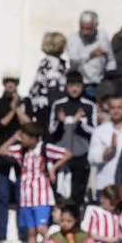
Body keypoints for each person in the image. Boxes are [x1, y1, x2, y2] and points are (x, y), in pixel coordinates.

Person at [6, 122, 67, 243]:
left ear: (33, 138)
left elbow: (67, 154)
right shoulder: (21, 150)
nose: (22, 140)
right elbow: (2, 151)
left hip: (42, 195)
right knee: (31, 232)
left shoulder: (45, 148)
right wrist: (14, 138)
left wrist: (53, 168)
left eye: (24, 137)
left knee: (42, 229)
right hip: (26, 197)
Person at [49, 71, 97, 207]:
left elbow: (94, 130)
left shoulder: (89, 106)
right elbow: (51, 130)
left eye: (77, 86)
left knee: (78, 194)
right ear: (66, 87)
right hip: (61, 157)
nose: (74, 89)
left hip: (81, 156)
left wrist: (80, 122)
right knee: (60, 194)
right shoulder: (58, 105)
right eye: (71, 86)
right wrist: (61, 122)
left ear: (83, 87)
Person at [65, 10, 115, 100]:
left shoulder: (103, 35)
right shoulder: (73, 38)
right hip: (83, 84)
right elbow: (73, 63)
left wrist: (110, 77)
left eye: (89, 29)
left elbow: (111, 59)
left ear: (96, 25)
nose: (85, 32)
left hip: (102, 82)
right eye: (82, 28)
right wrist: (89, 55)